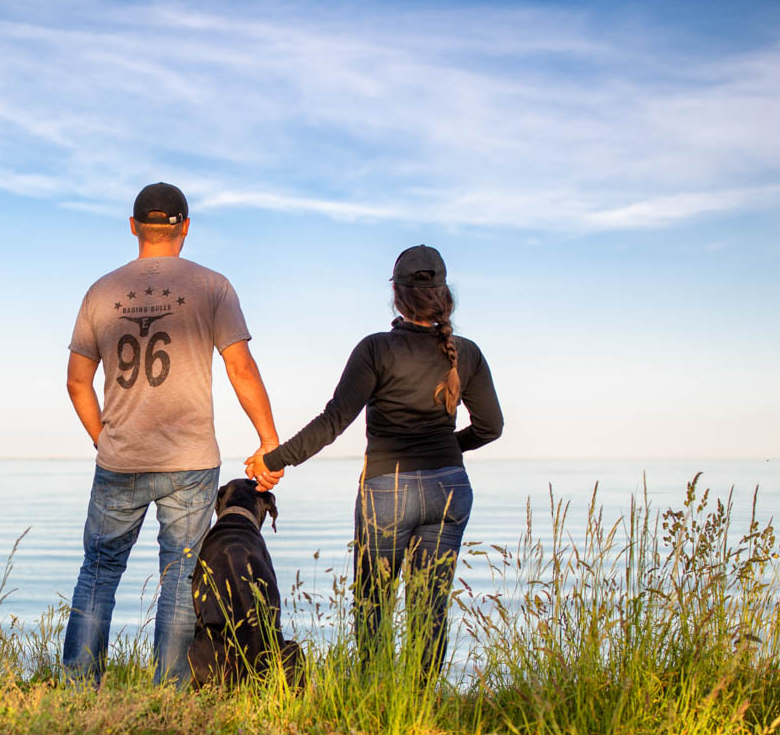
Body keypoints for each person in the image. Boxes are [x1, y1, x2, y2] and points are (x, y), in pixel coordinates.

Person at [246, 244, 503, 676]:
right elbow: (490, 427)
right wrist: (446, 450)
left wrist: (275, 460)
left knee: (373, 602)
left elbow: (334, 421)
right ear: (444, 296)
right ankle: (420, 706)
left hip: (388, 490)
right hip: (449, 489)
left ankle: (374, 692)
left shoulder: (375, 349)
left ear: (398, 297)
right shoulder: (467, 352)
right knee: (431, 606)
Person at [63, 182, 281, 686]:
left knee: (98, 573)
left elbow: (77, 382)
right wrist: (269, 440)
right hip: (189, 460)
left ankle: (77, 689)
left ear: (135, 226)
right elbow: (240, 366)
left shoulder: (101, 290)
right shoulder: (213, 285)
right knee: (181, 579)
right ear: (184, 227)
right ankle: (170, 692)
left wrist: (105, 438)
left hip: (120, 459)